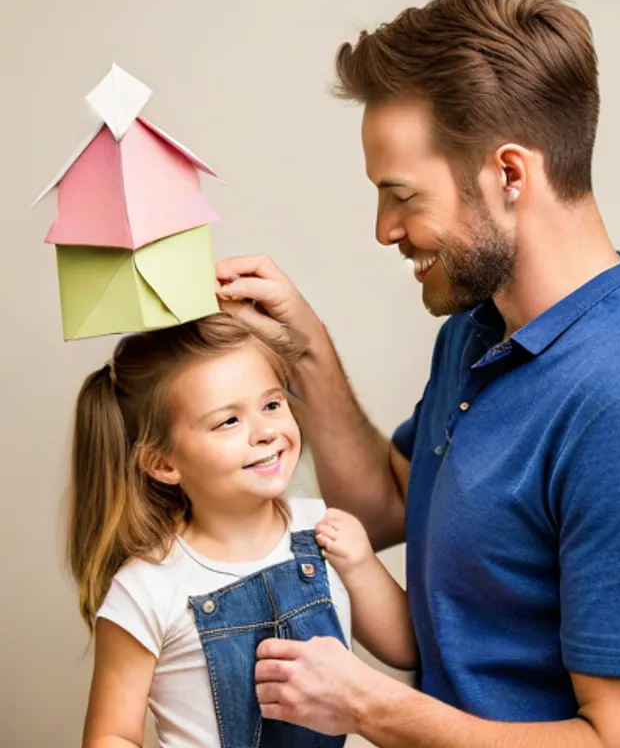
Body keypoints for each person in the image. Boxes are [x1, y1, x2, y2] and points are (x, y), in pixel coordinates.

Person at [216, 0, 620, 748]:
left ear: (510, 175)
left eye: (402, 195)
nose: (384, 228)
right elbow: (389, 509)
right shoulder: (478, 327)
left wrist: (366, 708)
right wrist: (307, 349)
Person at [68, 313, 416, 747]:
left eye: (272, 404)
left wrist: (361, 564)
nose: (266, 432)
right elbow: (110, 735)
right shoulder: (146, 589)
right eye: (228, 421)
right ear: (163, 463)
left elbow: (405, 649)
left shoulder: (322, 528)